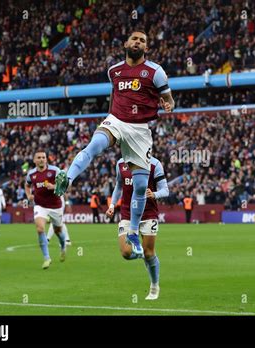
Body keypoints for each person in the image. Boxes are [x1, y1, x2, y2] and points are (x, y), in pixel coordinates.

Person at [55, 29, 174, 258]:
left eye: (142, 40)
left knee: (140, 187)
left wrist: (169, 105)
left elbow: (169, 99)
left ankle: (132, 232)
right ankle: (67, 180)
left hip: (140, 130)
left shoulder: (156, 72)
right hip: (117, 120)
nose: (138, 42)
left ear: (146, 48)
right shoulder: (114, 71)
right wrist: (110, 118)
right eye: (134, 39)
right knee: (94, 145)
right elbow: (114, 96)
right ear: (126, 43)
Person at [106, 156, 169, 300]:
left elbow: (165, 190)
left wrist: (154, 194)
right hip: (127, 214)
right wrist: (111, 205)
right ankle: (140, 253)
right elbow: (119, 186)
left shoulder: (154, 164)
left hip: (148, 215)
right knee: (126, 253)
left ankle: (154, 286)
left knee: (149, 253)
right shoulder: (120, 163)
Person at [25, 150, 67, 269]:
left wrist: (54, 186)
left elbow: (65, 184)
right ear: (34, 160)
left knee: (58, 231)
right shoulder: (31, 174)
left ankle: (63, 246)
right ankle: (47, 258)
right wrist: (29, 196)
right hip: (40, 205)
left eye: (43, 157)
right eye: (39, 157)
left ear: (46, 159)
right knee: (40, 228)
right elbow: (27, 185)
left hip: (55, 206)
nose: (42, 159)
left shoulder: (55, 171)